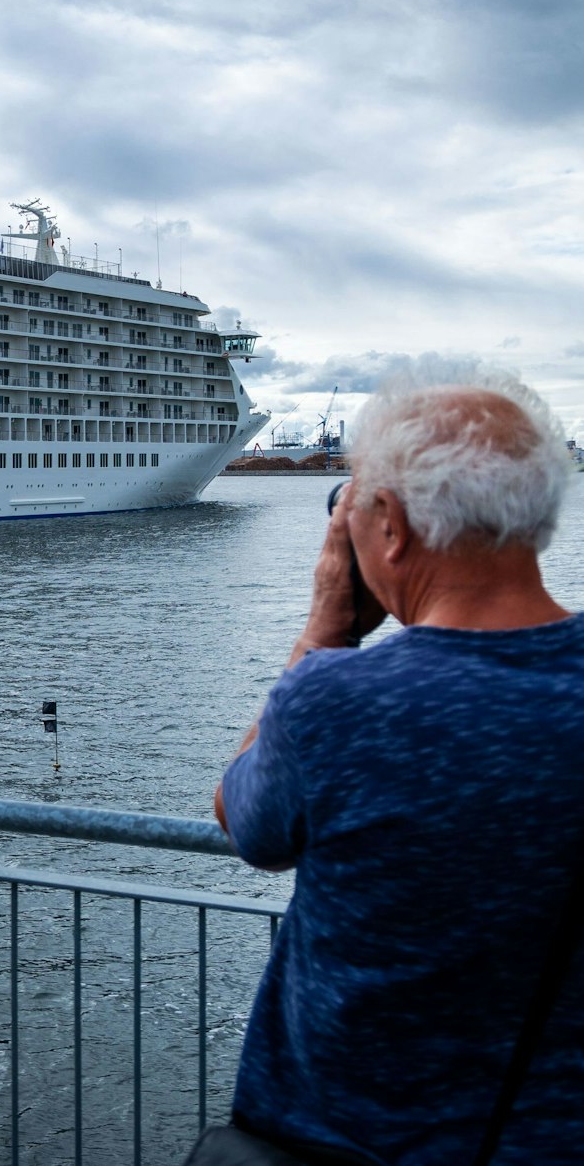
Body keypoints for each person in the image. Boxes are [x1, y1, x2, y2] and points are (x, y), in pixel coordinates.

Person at [214, 361, 584, 1163]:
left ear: (388, 524)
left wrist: (326, 619)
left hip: (348, 1140)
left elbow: (244, 822)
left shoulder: (335, 701)